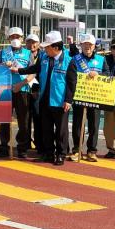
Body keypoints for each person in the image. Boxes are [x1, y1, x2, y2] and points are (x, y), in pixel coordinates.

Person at [13, 31, 77, 166]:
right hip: (44, 99)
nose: (44, 49)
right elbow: (33, 68)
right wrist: (18, 70)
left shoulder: (68, 61)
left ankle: (61, 154)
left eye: (47, 47)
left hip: (60, 101)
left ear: (55, 47)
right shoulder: (44, 58)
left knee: (61, 130)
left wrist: (68, 100)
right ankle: (48, 153)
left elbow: (72, 83)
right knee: (46, 129)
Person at [69, 34, 108, 162]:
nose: (88, 47)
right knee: (78, 125)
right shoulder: (75, 59)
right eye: (85, 44)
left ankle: (92, 151)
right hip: (79, 96)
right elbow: (71, 77)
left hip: (95, 97)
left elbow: (108, 75)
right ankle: (76, 150)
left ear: (94, 46)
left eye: (90, 44)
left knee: (94, 125)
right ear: (81, 45)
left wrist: (98, 74)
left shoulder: (102, 60)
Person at [0, 27, 33, 159]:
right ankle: (4, 147)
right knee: (4, 119)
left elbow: (32, 72)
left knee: (23, 120)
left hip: (22, 90)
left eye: (18, 37)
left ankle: (22, 147)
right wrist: (3, 65)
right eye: (12, 37)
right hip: (6, 90)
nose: (15, 39)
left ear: (22, 39)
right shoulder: (3, 53)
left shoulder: (28, 54)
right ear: (8, 39)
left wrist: (21, 84)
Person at [24, 33, 43, 156]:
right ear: (26, 43)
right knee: (25, 118)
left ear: (39, 44)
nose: (32, 44)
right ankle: (25, 143)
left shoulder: (44, 56)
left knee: (38, 117)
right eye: (29, 42)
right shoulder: (22, 56)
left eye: (34, 42)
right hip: (24, 90)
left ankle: (39, 143)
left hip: (38, 90)